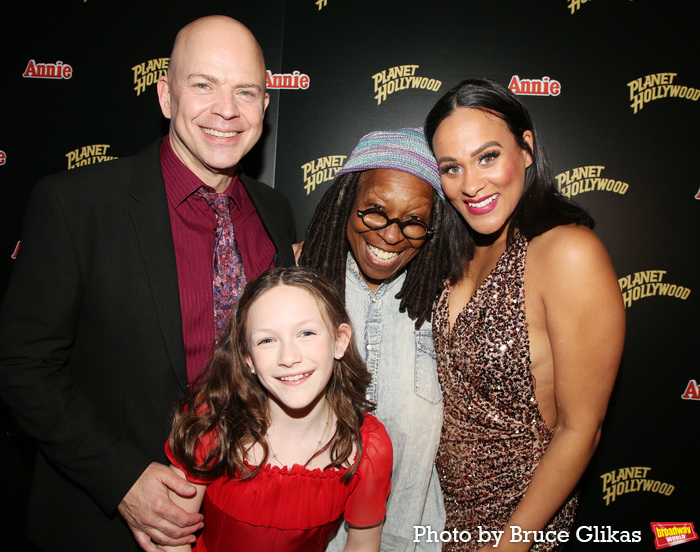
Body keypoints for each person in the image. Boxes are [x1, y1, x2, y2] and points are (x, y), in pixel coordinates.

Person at [0, 15, 295, 552]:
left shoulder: (274, 212)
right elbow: (24, 367)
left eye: (245, 91)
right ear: (165, 96)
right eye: (202, 85)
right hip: (102, 528)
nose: (226, 109)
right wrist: (123, 480)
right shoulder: (76, 203)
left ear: (264, 106)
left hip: (240, 521)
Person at [423, 79, 625, 551]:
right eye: (451, 168)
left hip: (519, 522)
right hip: (439, 515)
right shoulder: (458, 253)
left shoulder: (568, 253)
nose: (471, 185)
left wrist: (510, 544)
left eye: (488, 156)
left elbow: (580, 429)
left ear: (527, 148)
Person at [300, 128, 459, 551]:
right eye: (374, 211)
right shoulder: (298, 291)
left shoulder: (447, 299)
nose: (390, 236)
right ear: (344, 204)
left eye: (414, 221)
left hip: (416, 538)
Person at [163, 266, 393, 551]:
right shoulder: (212, 422)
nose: (288, 357)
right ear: (247, 357)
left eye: (306, 333)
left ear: (339, 341)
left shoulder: (368, 450)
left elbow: (363, 546)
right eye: (267, 340)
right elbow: (170, 539)